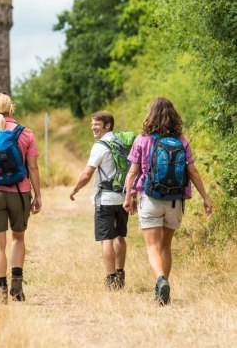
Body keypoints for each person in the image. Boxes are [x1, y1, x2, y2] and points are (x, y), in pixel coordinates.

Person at [123, 96, 212, 305]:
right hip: (175, 201)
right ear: (174, 116)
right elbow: (193, 171)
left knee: (152, 246)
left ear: (150, 115)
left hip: (151, 198)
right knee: (166, 246)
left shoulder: (142, 140)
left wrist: (128, 197)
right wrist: (206, 198)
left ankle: (161, 281)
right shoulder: (182, 141)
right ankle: (164, 290)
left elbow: (133, 172)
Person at [0, 92, 42, 303]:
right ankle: (17, 288)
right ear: (12, 108)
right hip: (20, 193)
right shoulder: (26, 133)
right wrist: (37, 194)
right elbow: (33, 167)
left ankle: (1, 292)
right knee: (18, 239)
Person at [69, 111, 128, 290]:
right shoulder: (122, 142)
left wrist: (75, 188)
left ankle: (111, 279)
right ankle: (120, 275)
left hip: (105, 199)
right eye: (92, 124)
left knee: (107, 239)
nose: (93, 127)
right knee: (119, 235)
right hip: (122, 197)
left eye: (96, 124)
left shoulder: (99, 146)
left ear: (107, 125)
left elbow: (87, 173)